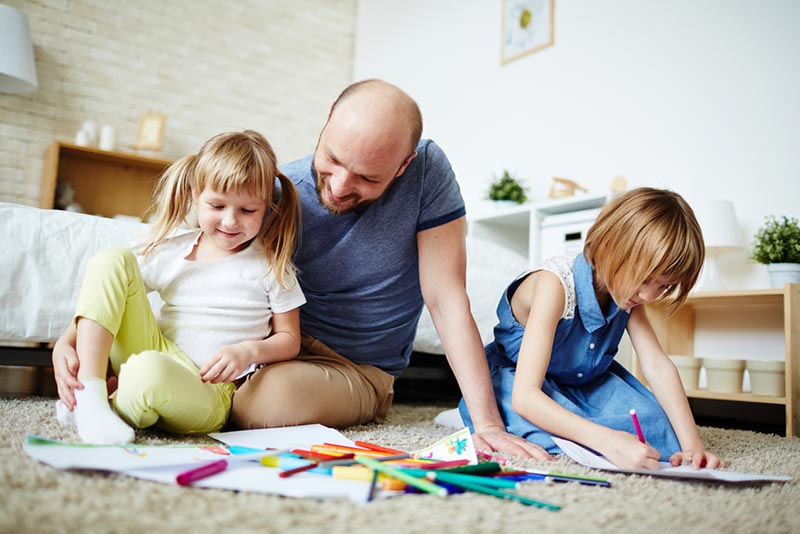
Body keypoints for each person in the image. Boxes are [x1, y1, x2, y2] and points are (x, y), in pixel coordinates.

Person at [53, 79, 549, 459]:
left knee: (257, 410)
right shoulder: (271, 194)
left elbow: (445, 296)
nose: (337, 185)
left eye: (367, 178)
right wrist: (72, 336)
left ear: (403, 166)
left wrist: (486, 425)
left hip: (351, 368)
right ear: (327, 119)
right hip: (263, 354)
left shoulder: (427, 175)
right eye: (331, 159)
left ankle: (359, 399)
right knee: (231, 392)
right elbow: (183, 264)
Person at [54, 130, 305, 444]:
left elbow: (289, 339)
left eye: (247, 211)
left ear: (267, 206)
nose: (230, 222)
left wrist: (248, 351)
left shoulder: (272, 265)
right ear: (196, 195)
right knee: (112, 259)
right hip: (157, 350)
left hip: (208, 390)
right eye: (217, 206)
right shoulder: (173, 250)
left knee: (147, 372)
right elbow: (110, 291)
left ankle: (110, 405)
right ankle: (90, 395)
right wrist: (66, 342)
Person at [458, 187, 723, 469]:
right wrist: (607, 441)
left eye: (664, 286)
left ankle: (588, 429)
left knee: (657, 425)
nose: (649, 296)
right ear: (612, 247)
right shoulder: (554, 286)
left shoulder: (630, 297)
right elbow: (525, 397)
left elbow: (657, 365)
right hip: (523, 384)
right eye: (646, 279)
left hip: (585, 385)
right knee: (532, 426)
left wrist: (693, 445)